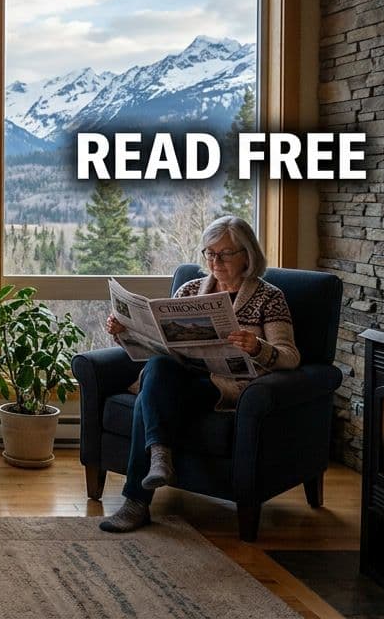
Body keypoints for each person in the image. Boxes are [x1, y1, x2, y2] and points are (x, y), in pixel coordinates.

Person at [99, 215, 299, 533]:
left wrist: (257, 347)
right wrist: (124, 333)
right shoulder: (191, 289)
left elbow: (289, 356)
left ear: (247, 255)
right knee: (158, 366)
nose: (214, 261)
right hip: (181, 375)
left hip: (226, 385)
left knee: (144, 401)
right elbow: (161, 344)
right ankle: (158, 457)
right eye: (209, 253)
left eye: (224, 254)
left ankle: (139, 498)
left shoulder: (269, 297)